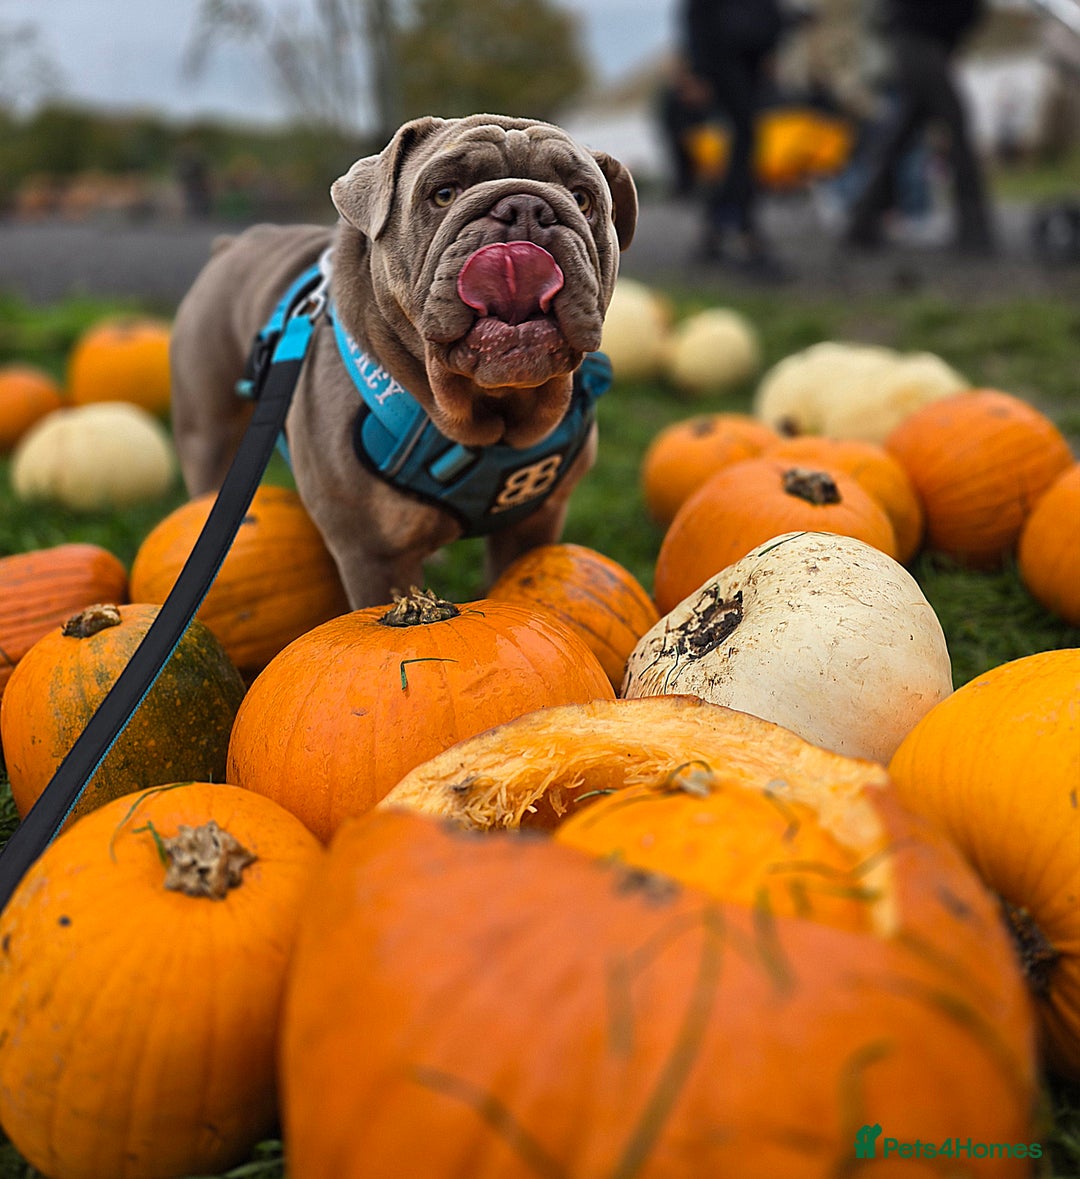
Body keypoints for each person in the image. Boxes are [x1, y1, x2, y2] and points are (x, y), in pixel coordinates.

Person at [841, 0, 997, 256]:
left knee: (901, 137)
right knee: (957, 131)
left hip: (923, 46)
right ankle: (974, 232)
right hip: (916, 44)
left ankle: (862, 224)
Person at [680, 0, 794, 278]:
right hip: (725, 56)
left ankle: (720, 226)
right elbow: (698, 11)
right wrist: (698, 70)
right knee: (745, 138)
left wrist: (773, 40)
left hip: (751, 56)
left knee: (744, 142)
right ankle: (742, 227)